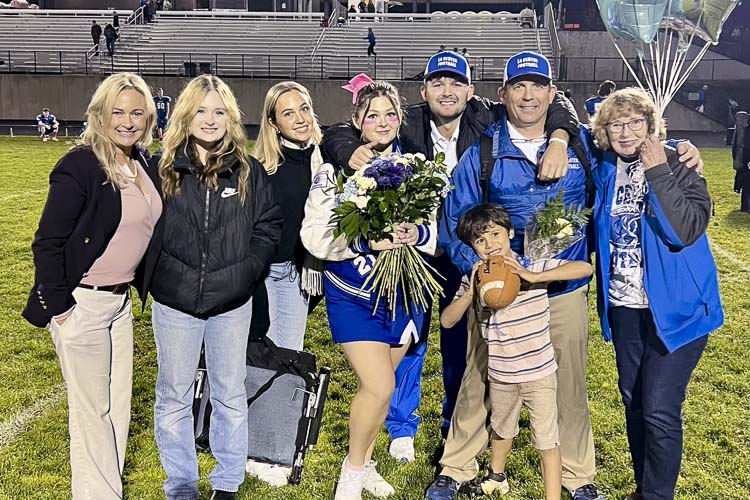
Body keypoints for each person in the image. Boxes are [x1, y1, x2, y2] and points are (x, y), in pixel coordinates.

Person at [322, 50, 580, 465]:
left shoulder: (487, 117)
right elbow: (341, 129)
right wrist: (345, 149)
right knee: (408, 340)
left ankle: (453, 422)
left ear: (471, 91)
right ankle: (401, 427)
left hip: (466, 249)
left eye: (456, 83)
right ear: (423, 90)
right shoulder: (405, 122)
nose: (447, 91)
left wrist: (561, 137)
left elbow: (556, 104)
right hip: (414, 251)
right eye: (438, 83)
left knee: (464, 343)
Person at [436, 50, 605, 500]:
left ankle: (577, 476)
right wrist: (479, 268)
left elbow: (629, 148)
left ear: (553, 93)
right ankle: (457, 466)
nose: (528, 95)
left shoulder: (580, 145)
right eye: (518, 86)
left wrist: (674, 149)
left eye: (537, 86)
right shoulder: (484, 152)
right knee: (480, 378)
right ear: (502, 94)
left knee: (567, 383)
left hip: (560, 286)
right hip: (500, 291)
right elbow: (455, 223)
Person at [22, 72, 161, 499]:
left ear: (149, 119)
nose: (127, 120)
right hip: (82, 303)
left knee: (116, 406)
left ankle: (102, 488)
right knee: (91, 412)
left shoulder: (143, 163)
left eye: (137, 112)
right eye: (117, 111)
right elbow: (47, 242)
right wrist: (61, 307)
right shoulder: (80, 164)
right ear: (99, 116)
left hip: (119, 305)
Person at [146, 75, 283, 500]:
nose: (210, 120)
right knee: (173, 395)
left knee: (229, 393)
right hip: (174, 304)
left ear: (231, 117)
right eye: (201, 111)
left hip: (231, 303)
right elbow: (142, 229)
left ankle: (227, 482)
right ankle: (182, 483)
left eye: (219, 111)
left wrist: (246, 272)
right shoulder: (160, 168)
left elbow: (268, 225)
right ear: (185, 116)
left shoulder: (248, 170)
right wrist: (168, 277)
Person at [301, 80, 436, 500]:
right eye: (372, 115)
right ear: (357, 121)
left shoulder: (418, 167)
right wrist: (365, 241)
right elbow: (315, 237)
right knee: (378, 386)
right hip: (352, 292)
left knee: (384, 389)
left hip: (403, 294)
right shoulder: (334, 168)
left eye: (390, 114)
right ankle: (351, 477)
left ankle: (368, 461)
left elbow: (435, 231)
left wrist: (418, 232)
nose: (382, 122)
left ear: (400, 120)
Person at [588, 87, 723, 500]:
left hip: (678, 309)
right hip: (626, 306)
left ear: (651, 125)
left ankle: (657, 497)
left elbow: (685, 230)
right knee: (634, 401)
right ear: (604, 131)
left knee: (660, 408)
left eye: (635, 123)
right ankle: (645, 487)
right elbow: (557, 115)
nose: (626, 132)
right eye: (616, 124)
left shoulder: (681, 165)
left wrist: (660, 169)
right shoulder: (604, 168)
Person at [442, 203, 593, 500]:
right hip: (501, 375)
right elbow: (448, 320)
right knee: (501, 430)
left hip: (539, 374)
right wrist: (472, 291)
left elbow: (584, 268)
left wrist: (533, 277)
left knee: (547, 441)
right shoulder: (474, 279)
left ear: (510, 233)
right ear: (472, 248)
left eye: (496, 234)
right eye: (480, 240)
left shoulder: (532, 266)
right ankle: (496, 476)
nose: (490, 245)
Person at [733, 110, 750, 213]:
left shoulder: (742, 130)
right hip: (744, 158)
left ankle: (745, 206)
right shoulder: (742, 130)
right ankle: (746, 206)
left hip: (744, 158)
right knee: (746, 182)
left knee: (745, 182)